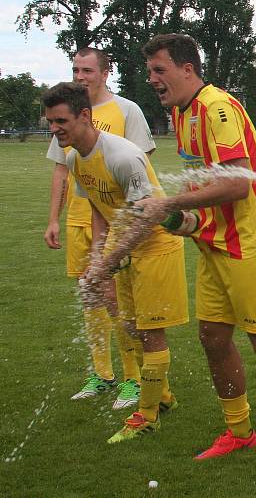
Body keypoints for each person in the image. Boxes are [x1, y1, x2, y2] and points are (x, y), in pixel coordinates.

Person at [133, 33, 256, 490]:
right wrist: (183, 215)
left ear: (187, 68)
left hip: (250, 244)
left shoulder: (216, 108)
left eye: (159, 70)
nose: (153, 80)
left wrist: (167, 204)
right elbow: (205, 186)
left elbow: (238, 185)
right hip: (214, 244)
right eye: (150, 73)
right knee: (213, 338)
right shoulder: (181, 113)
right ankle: (240, 431)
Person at [42, 81, 188, 444]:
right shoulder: (76, 156)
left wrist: (110, 260)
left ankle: (148, 415)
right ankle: (163, 396)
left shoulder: (124, 156)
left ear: (85, 116)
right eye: (50, 121)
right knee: (130, 326)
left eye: (61, 120)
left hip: (155, 247)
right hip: (125, 247)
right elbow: (97, 205)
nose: (54, 128)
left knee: (151, 333)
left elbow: (146, 218)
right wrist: (98, 254)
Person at [44, 47, 154, 410]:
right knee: (90, 296)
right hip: (82, 217)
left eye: (87, 69)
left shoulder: (126, 111)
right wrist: (53, 219)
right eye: (75, 69)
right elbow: (63, 169)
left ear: (105, 73)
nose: (80, 76)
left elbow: (137, 167)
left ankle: (133, 378)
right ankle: (100, 373)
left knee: (117, 301)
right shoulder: (64, 114)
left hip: (119, 220)